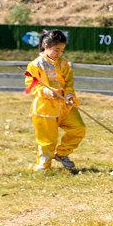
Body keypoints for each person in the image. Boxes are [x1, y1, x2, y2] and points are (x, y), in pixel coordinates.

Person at [24, 29, 86, 172]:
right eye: (56, 49)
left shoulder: (64, 64)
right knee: (47, 140)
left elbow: (69, 83)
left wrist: (69, 96)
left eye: (62, 50)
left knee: (79, 128)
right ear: (46, 45)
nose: (59, 53)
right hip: (45, 109)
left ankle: (62, 154)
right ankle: (43, 166)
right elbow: (30, 86)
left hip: (65, 106)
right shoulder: (35, 65)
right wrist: (46, 91)